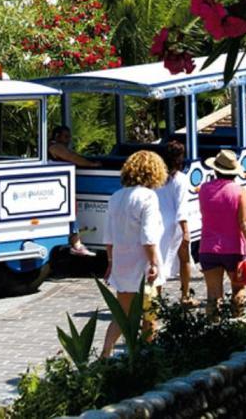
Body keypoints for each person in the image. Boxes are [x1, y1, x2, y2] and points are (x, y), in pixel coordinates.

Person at [100, 150, 166, 357]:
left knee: (122, 313)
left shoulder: (116, 196)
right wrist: (154, 263)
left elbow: (108, 236)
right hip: (143, 262)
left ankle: (105, 353)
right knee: (150, 315)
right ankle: (145, 355)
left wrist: (110, 262)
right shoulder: (148, 197)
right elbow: (148, 236)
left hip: (122, 260)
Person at [198, 150, 246, 320]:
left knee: (213, 294)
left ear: (215, 170)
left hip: (208, 247)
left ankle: (213, 330)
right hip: (234, 248)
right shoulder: (239, 191)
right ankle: (237, 325)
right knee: (238, 289)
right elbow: (244, 223)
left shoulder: (204, 190)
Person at [155, 141, 197, 306]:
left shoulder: (156, 178)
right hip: (176, 223)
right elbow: (181, 206)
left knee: (158, 259)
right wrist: (186, 230)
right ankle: (185, 294)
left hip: (158, 221)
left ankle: (156, 298)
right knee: (184, 258)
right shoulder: (181, 179)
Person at [49, 125, 100, 257]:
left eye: (69, 136)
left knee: (71, 212)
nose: (68, 139)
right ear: (57, 136)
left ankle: (76, 243)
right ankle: (76, 244)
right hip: (57, 187)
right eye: (65, 136)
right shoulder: (55, 147)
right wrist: (91, 164)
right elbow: (72, 157)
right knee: (71, 211)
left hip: (60, 186)